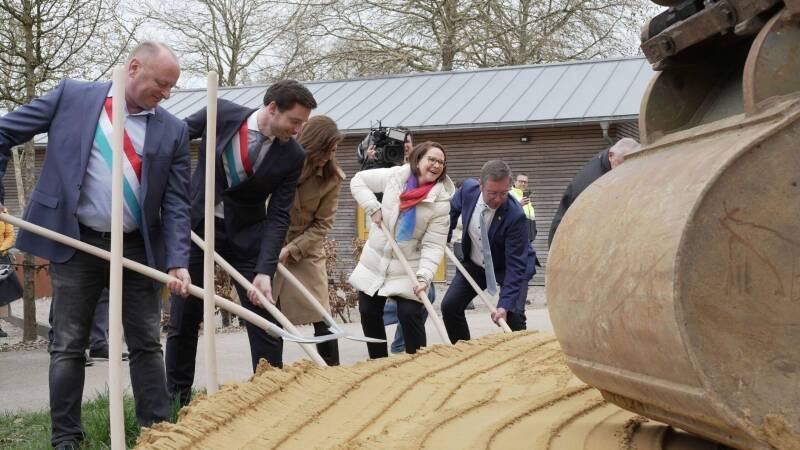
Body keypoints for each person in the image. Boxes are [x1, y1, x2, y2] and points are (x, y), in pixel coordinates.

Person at [0, 41, 192, 449]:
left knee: (146, 343)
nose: (166, 94)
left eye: (171, 87)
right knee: (68, 344)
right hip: (76, 242)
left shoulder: (173, 130)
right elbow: (3, 132)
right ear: (134, 67)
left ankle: (157, 432)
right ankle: (66, 438)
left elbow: (177, 203)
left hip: (138, 248)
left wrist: (178, 261)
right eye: (161, 84)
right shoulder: (71, 97)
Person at [165, 80, 316, 406]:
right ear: (273, 108)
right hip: (197, 228)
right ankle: (176, 401)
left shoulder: (293, 155)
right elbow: (172, 138)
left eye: (303, 123)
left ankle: (269, 396)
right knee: (184, 317)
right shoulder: (220, 113)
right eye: (295, 121)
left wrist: (264, 270)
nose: (299, 130)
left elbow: (278, 215)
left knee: (265, 319)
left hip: (246, 237)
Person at [350, 141, 455, 357]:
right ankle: (379, 362)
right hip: (376, 260)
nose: (436, 165)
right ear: (418, 159)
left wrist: (424, 277)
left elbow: (434, 245)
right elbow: (358, 181)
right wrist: (372, 207)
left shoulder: (440, 201)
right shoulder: (396, 176)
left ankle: (417, 363)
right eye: (432, 159)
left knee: (409, 313)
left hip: (408, 265)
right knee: (368, 310)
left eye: (441, 162)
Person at [272, 115, 344, 367]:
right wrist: (272, 246)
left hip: (306, 250)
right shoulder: (279, 163)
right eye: (327, 150)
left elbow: (322, 224)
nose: (330, 156)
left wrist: (292, 249)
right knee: (271, 315)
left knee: (322, 315)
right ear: (313, 144)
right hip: (271, 244)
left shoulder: (332, 178)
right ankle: (270, 372)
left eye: (334, 150)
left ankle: (331, 372)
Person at [441, 160, 537, 343]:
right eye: (492, 193)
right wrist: (443, 236)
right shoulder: (468, 190)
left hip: (508, 265)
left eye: (504, 193)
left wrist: (504, 305)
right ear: (480, 185)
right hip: (476, 263)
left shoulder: (515, 214)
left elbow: (515, 264)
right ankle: (464, 352)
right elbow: (451, 211)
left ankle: (519, 354)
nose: (498, 199)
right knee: (450, 306)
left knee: (513, 316)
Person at [548, 138, 640, 247]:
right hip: (564, 239)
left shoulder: (610, 160)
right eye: (622, 163)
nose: (626, 169)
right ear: (611, 155)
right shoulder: (592, 183)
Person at [0, 209, 22, 338]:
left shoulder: (3, 213)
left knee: (2, 293)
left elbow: (10, 235)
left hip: (1, 256)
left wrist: (1, 249)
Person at [509, 174, 537, 241]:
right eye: (521, 181)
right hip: (517, 236)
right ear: (515, 182)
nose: (523, 184)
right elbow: (505, 212)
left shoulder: (525, 196)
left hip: (529, 236)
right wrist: (519, 205)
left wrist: (534, 231)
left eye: (525, 182)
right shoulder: (510, 194)